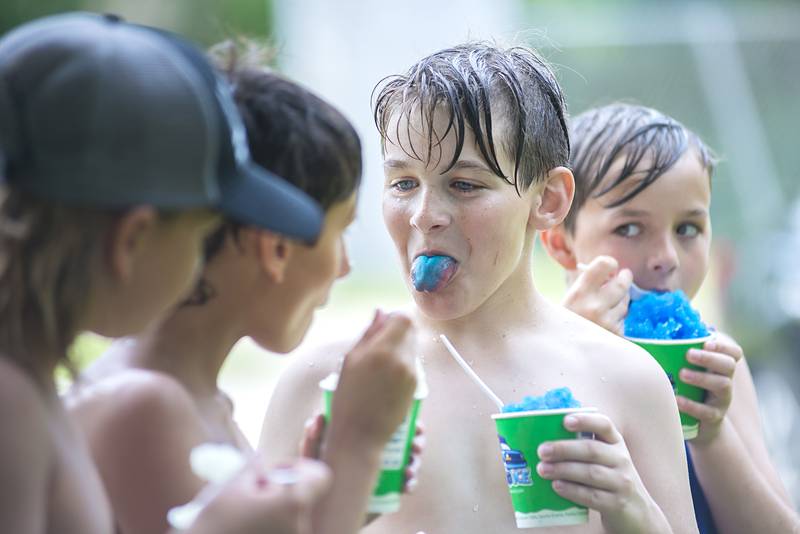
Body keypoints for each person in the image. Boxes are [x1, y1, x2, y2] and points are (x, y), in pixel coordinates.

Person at [260, 42, 698, 533]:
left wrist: (633, 509)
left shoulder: (627, 382)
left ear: (549, 200)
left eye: (465, 185)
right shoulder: (325, 385)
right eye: (403, 183)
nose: (425, 215)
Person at [0, 13, 331, 534]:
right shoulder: (11, 401)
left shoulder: (29, 378)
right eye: (203, 238)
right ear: (131, 240)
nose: (201, 264)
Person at [69, 48, 421, 534]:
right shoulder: (144, 408)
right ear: (274, 247)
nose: (344, 267)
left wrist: (338, 498)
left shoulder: (200, 400)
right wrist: (356, 445)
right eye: (339, 233)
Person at [540, 102, 800, 533]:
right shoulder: (538, 357)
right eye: (629, 229)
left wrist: (712, 433)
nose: (666, 258)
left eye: (688, 229)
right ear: (562, 245)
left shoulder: (717, 369)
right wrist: (569, 361)